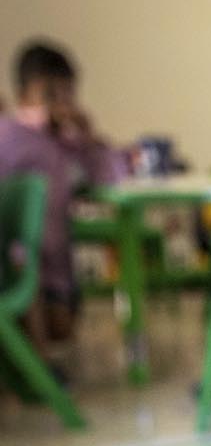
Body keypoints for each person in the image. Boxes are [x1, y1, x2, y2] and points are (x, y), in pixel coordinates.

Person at [0, 40, 129, 350]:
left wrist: (87, 136)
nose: (60, 104)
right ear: (23, 97)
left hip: (58, 266)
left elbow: (114, 174)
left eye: (67, 94)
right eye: (49, 95)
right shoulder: (8, 136)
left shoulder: (67, 142)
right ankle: (36, 370)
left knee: (62, 326)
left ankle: (31, 358)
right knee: (25, 292)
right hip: (16, 255)